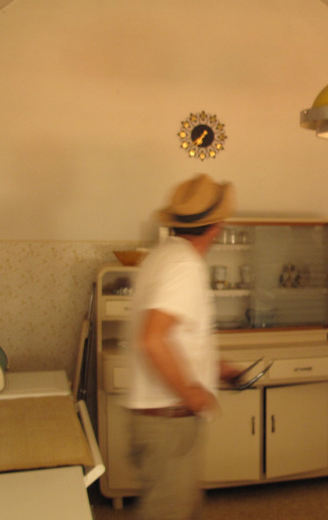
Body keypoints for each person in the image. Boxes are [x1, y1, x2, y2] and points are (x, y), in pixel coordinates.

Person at [125, 173, 242, 520]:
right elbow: (152, 339)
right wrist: (191, 393)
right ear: (216, 227)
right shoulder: (184, 265)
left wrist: (214, 367)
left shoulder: (162, 256)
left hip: (159, 420)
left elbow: (175, 335)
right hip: (169, 422)